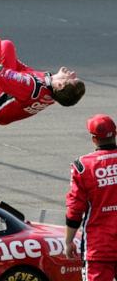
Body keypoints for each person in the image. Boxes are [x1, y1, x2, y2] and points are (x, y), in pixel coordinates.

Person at [65, 114, 117, 281]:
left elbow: (75, 209)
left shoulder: (82, 166)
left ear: (94, 139)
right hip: (99, 247)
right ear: (115, 133)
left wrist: (69, 241)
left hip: (99, 247)